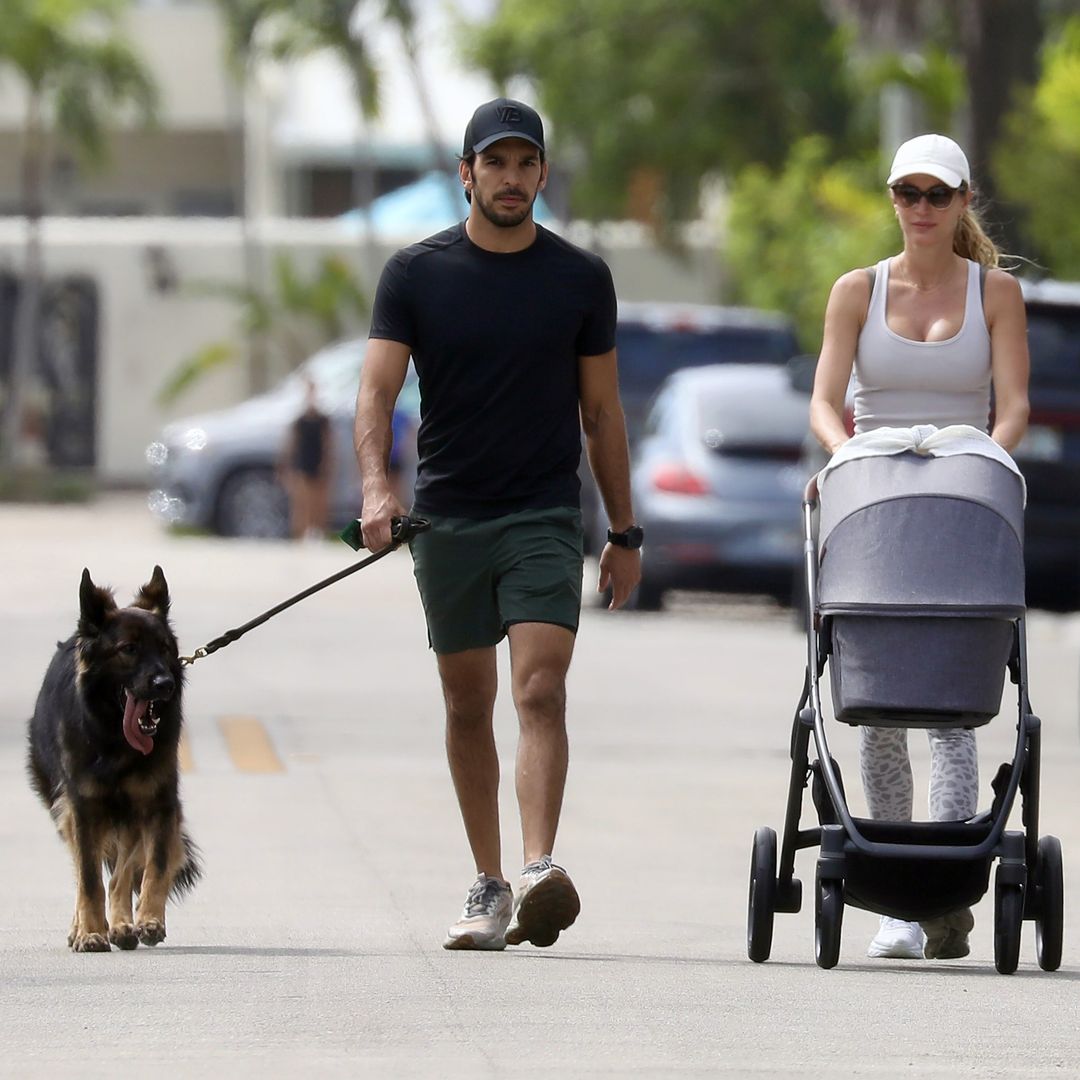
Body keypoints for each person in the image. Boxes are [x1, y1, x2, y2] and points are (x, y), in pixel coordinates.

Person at [354, 98, 642, 951]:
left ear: (542, 175)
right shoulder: (416, 274)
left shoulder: (580, 278)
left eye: (526, 164)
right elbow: (374, 392)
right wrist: (377, 489)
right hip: (447, 518)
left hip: (544, 514)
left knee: (539, 688)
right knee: (466, 700)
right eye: (496, 163)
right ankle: (488, 886)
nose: (511, 178)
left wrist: (624, 532)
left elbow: (602, 412)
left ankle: (539, 867)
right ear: (467, 174)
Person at [809, 133, 1030, 961]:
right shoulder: (855, 291)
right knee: (878, 693)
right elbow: (826, 403)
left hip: (961, 497)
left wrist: (989, 460)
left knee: (950, 696)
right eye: (909, 193)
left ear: (964, 200)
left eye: (939, 194)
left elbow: (1010, 408)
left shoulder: (996, 293)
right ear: (893, 199)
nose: (923, 208)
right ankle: (897, 899)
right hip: (874, 494)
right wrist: (843, 459)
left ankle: (949, 890)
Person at [279, 375, 332, 540]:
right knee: (302, 500)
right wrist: (285, 465)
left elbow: (328, 443)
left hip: (317, 460)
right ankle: (300, 533)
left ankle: (317, 531)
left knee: (319, 500)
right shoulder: (299, 420)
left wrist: (327, 463)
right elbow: (291, 444)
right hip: (302, 461)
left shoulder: (323, 420)